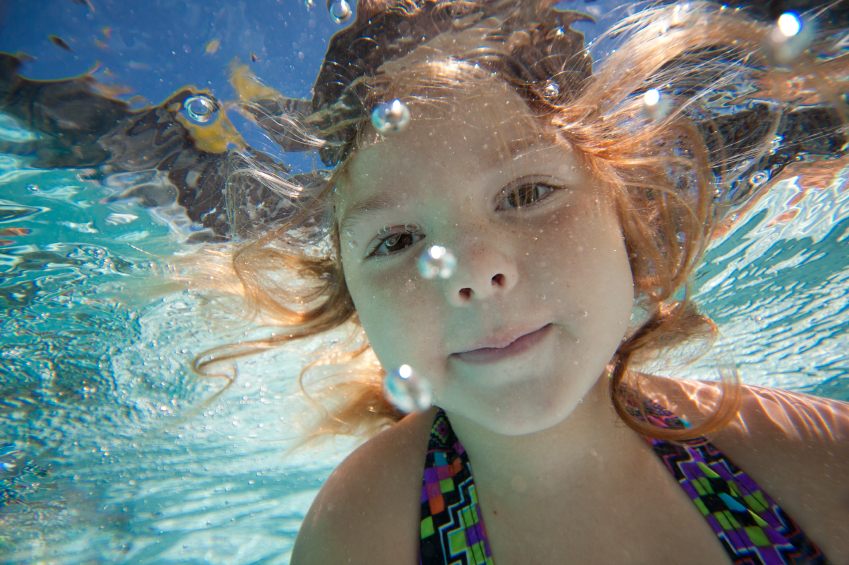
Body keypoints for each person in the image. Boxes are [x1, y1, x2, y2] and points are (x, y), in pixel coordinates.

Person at [188, 0, 849, 563]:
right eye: (396, 240)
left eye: (527, 192)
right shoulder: (362, 530)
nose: (473, 273)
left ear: (625, 216)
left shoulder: (811, 461)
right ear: (354, 303)